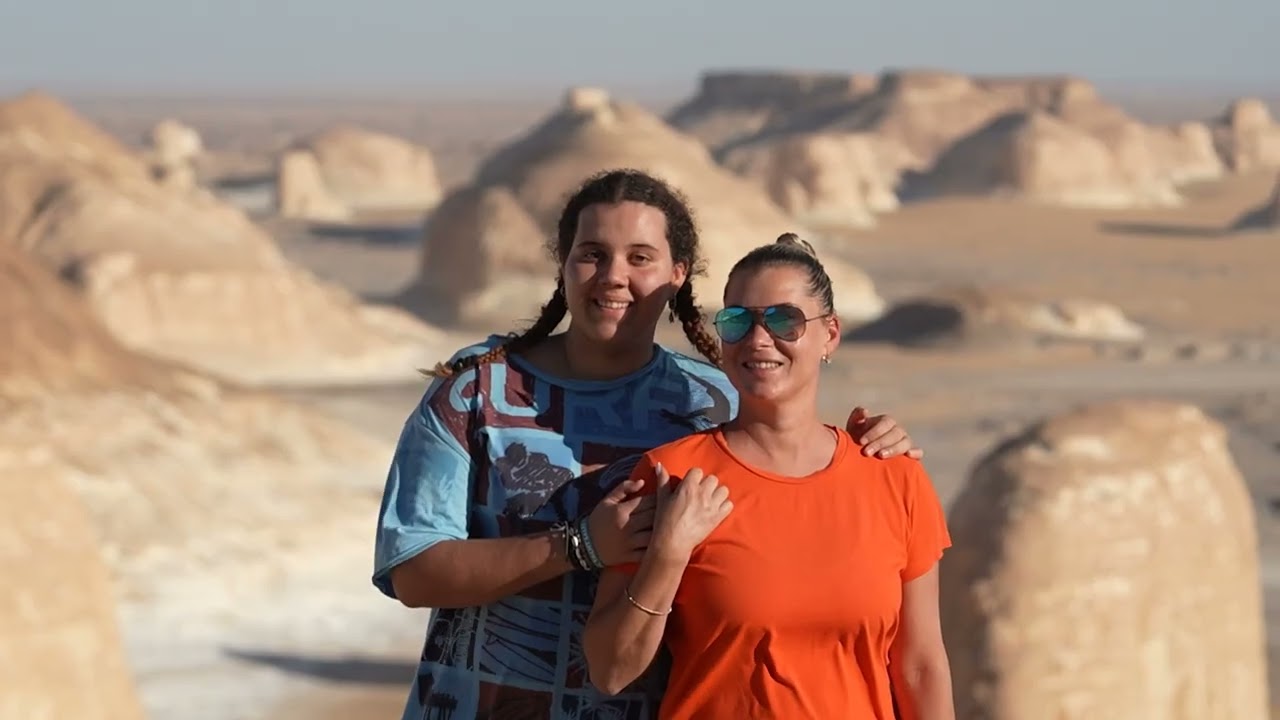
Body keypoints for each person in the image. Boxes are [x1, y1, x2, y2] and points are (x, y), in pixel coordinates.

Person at [373, 169, 926, 719]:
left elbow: (792, 466)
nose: (614, 277)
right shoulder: (476, 393)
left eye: (640, 258)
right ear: (563, 266)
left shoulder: (710, 400)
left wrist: (871, 449)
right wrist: (579, 546)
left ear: (677, 276)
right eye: (592, 254)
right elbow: (413, 572)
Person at [583, 233, 955, 720]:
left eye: (784, 320)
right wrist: (668, 555)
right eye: (737, 321)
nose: (758, 340)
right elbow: (610, 671)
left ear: (831, 335)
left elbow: (920, 667)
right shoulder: (673, 475)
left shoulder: (894, 476)